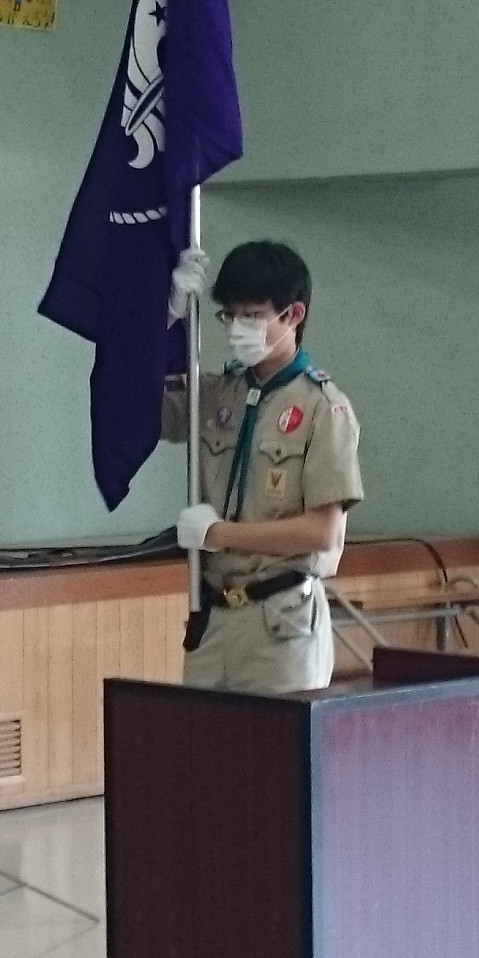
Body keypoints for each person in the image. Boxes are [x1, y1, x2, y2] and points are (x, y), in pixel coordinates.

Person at [160, 241, 362, 693]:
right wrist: (165, 321)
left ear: (294, 314)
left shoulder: (323, 408)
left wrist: (220, 535)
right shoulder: (219, 393)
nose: (237, 328)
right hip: (211, 618)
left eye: (252, 316)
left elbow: (323, 532)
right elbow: (133, 408)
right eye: (229, 316)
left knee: (275, 739)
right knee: (198, 737)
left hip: (281, 623)